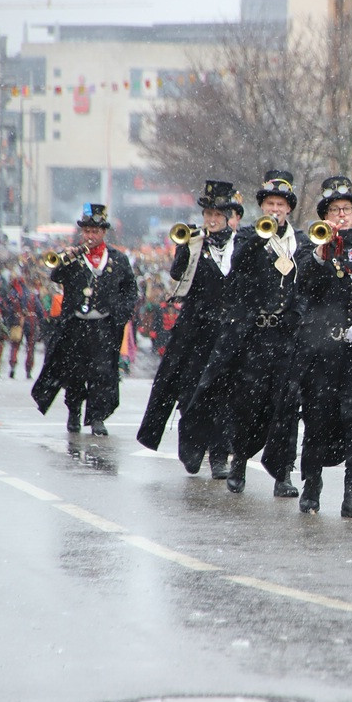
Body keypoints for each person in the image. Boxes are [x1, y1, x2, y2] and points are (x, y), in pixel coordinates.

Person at [183, 170, 306, 497]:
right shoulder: (249, 237)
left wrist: (299, 315)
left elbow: (308, 286)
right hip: (254, 337)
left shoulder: (303, 242)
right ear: (262, 206)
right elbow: (236, 270)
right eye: (269, 204)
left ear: (289, 208)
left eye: (280, 204)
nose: (275, 210)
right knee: (247, 403)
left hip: (286, 337)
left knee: (286, 407)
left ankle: (283, 474)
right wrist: (258, 241)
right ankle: (238, 464)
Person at [138, 180, 240, 479]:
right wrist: (186, 248)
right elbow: (177, 275)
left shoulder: (240, 244)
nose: (212, 219)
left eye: (218, 214)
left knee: (224, 393)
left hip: (227, 330)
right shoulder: (195, 243)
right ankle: (192, 449)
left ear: (229, 216)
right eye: (208, 213)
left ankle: (220, 456)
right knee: (191, 390)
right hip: (196, 328)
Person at [295, 176, 352, 518]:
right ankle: (311, 488)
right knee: (316, 418)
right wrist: (319, 251)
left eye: (346, 209)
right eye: (333, 210)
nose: (340, 215)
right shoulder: (311, 249)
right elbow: (302, 286)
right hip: (321, 351)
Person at [32, 204, 138, 435]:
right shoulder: (73, 257)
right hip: (76, 325)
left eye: (95, 232)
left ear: (103, 233)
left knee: (102, 372)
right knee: (75, 372)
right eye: (87, 231)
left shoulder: (117, 259)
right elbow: (55, 275)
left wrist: (120, 313)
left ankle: (97, 417)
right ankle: (74, 412)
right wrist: (65, 259)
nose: (90, 236)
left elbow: (130, 289)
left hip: (104, 325)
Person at [2, 273, 44, 379]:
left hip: (17, 322)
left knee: (15, 345)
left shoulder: (11, 294)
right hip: (31, 322)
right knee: (30, 347)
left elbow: (5, 308)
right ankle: (28, 370)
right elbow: (40, 311)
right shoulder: (31, 295)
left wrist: (11, 320)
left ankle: (13, 366)